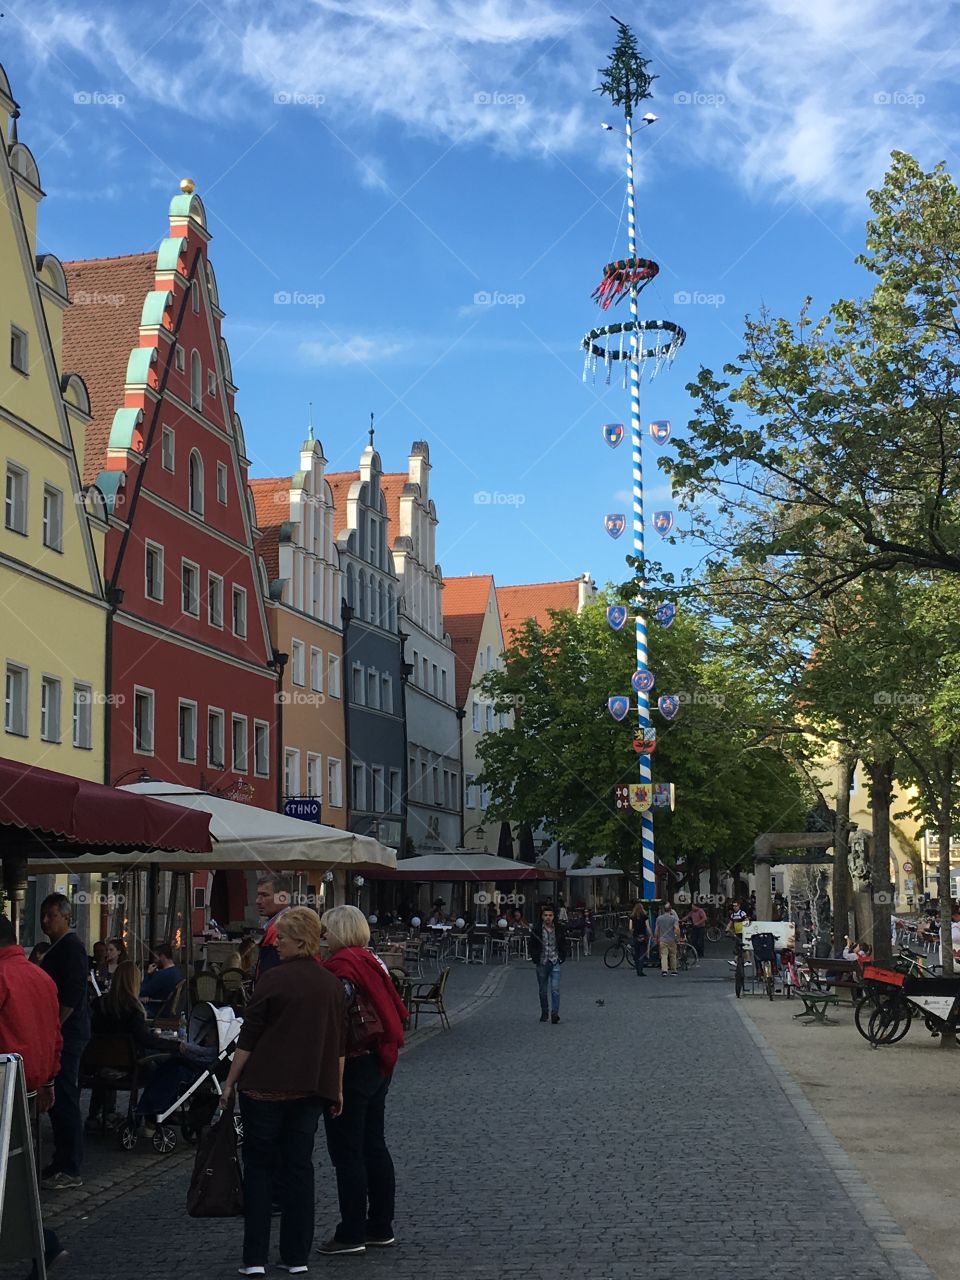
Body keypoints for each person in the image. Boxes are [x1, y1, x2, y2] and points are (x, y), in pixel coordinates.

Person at [220, 907, 346, 1277]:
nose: (278, 944)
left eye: (284, 938)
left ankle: (255, 1257)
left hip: (265, 1087)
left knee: (259, 1169)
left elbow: (249, 1037)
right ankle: (296, 1256)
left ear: (301, 940)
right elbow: (338, 1043)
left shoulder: (272, 981)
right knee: (299, 1169)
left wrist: (229, 1080)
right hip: (310, 1088)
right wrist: (337, 1089)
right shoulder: (330, 984)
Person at [320, 905, 408, 1255]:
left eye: (327, 931)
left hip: (353, 1064)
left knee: (347, 1151)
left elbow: (335, 1015)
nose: (323, 938)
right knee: (374, 1144)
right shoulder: (372, 960)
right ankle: (380, 1225)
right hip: (380, 1062)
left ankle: (352, 1232)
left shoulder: (343, 967)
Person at [0, 915, 69, 1277]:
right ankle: (42, 1243)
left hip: (3, 1089)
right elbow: (54, 1036)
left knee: (8, 1180)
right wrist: (49, 1082)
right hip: (30, 1087)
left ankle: (43, 1241)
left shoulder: (2, 976)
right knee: (16, 1178)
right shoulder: (40, 976)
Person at [38, 893, 91, 1190]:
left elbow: (71, 995)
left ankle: (70, 1166)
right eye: (43, 915)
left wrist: (54, 1027)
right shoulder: (59, 947)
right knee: (58, 1100)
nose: (45, 921)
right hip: (64, 1033)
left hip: (68, 1035)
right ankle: (61, 1160)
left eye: (51, 916)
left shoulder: (71, 948)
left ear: (66, 917)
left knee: (66, 1097)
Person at [86, 961, 176, 1130]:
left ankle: (96, 1113)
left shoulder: (100, 1005)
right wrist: (171, 1045)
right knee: (161, 1068)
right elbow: (145, 1039)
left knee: (109, 1055)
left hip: (99, 1064)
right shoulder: (133, 1011)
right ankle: (149, 1114)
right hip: (131, 1069)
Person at [253, 872, 294, 984]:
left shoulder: (281, 928)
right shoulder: (286, 923)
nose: (258, 901)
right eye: (258, 895)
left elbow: (270, 976)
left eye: (265, 895)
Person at [529, 905, 568, 1024]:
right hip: (542, 962)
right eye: (545, 915)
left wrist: (562, 957)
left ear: (553, 917)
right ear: (542, 917)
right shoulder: (537, 930)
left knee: (555, 989)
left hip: (555, 961)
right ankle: (544, 1012)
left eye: (550, 915)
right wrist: (535, 957)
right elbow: (531, 945)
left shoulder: (559, 929)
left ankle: (555, 1013)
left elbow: (563, 943)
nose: (548, 918)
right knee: (542, 990)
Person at [139, 942, 182, 1017]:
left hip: (156, 1010)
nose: (154, 961)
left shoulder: (161, 975)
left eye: (156, 958)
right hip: (167, 1009)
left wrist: (148, 974)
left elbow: (142, 991)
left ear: (162, 957)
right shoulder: (177, 972)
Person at [655, 902, 681, 976]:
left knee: (664, 955)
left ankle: (664, 970)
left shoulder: (659, 918)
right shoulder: (673, 919)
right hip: (672, 939)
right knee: (673, 955)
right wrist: (678, 938)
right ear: (670, 910)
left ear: (664, 910)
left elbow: (657, 930)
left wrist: (656, 938)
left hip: (663, 939)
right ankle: (674, 970)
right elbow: (677, 929)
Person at [628, 902, 651, 976]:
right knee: (642, 953)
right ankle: (640, 970)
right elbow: (647, 926)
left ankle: (637, 968)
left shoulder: (632, 917)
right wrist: (651, 934)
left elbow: (630, 928)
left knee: (636, 953)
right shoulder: (645, 916)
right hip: (643, 937)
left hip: (635, 937)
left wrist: (632, 932)